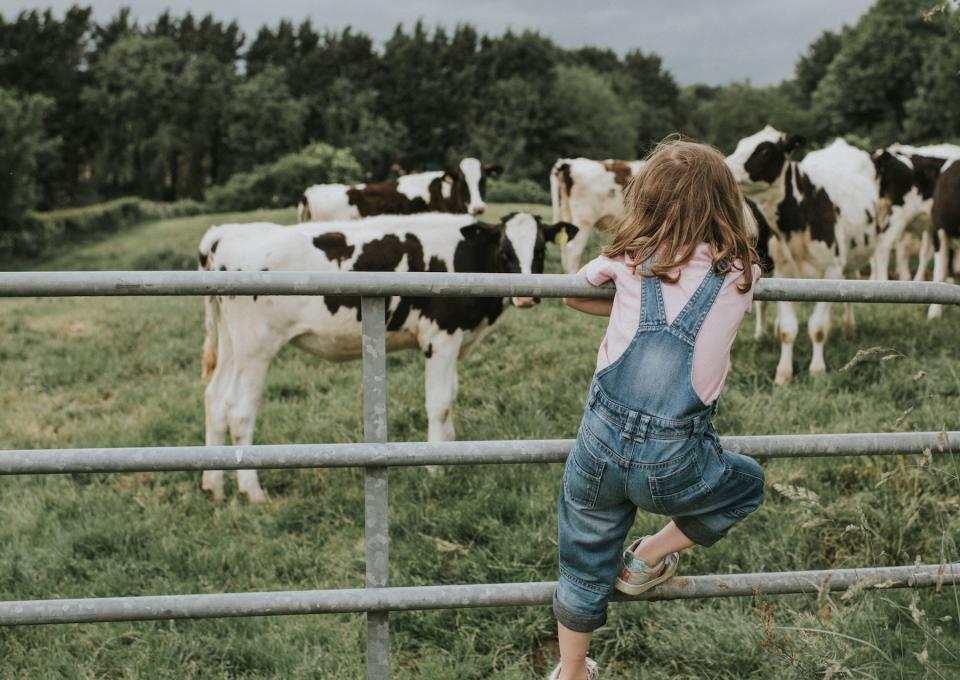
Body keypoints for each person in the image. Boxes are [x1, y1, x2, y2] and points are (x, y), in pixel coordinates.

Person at [548, 139, 766, 680]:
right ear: (724, 202)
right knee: (747, 483)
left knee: (583, 552)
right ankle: (647, 557)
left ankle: (573, 670)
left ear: (643, 200)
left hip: (597, 450)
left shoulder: (624, 262)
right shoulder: (741, 273)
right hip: (674, 462)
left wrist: (625, 292)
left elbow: (575, 294)